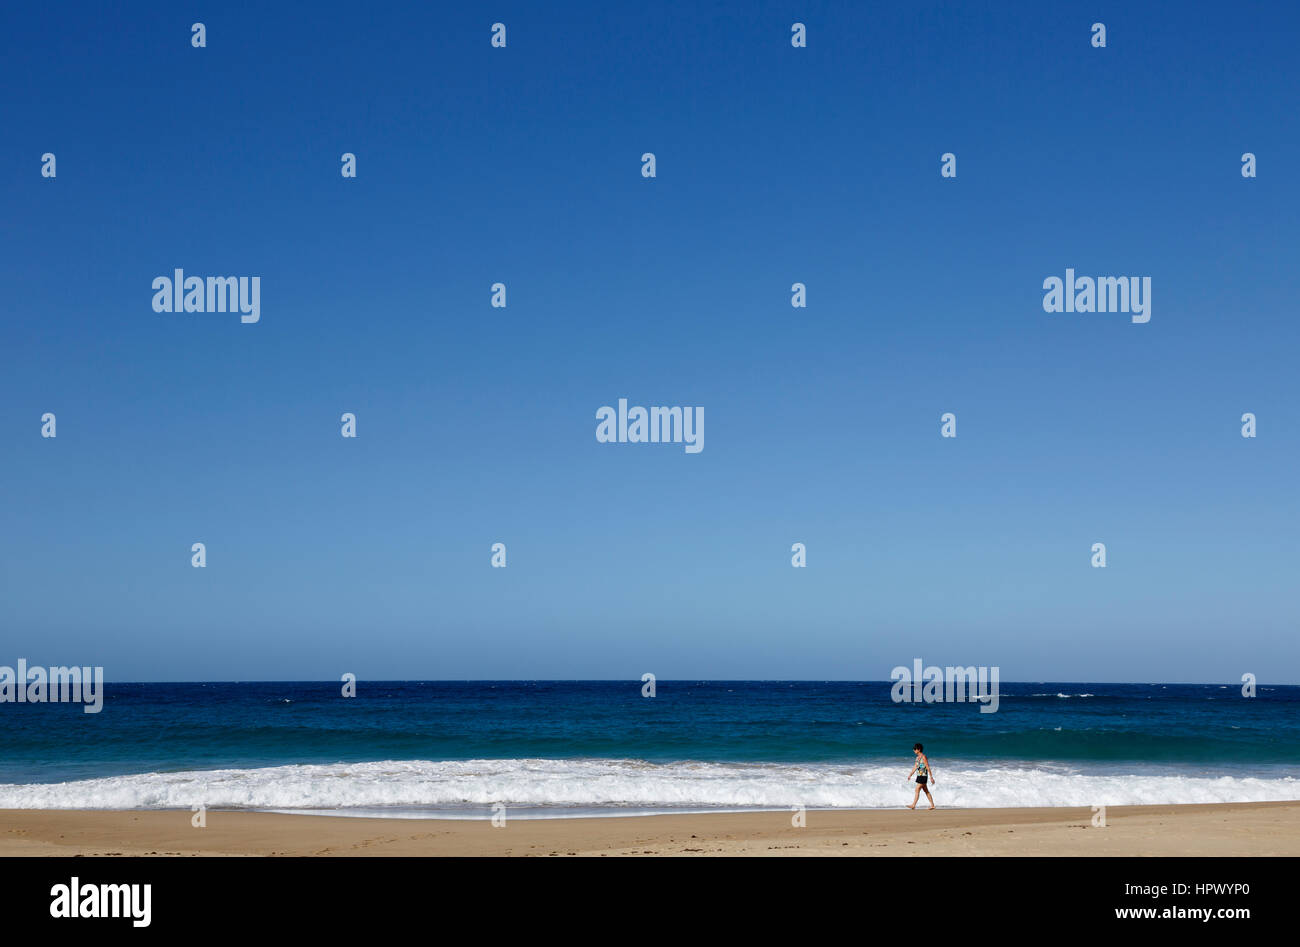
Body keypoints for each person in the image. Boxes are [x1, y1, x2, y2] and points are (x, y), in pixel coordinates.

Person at [907, 742, 935, 809]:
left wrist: (931, 777)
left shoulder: (923, 757)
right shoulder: (917, 758)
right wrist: (910, 774)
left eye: (915, 749)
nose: (914, 750)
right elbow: (915, 767)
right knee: (926, 791)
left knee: (917, 789)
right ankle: (932, 805)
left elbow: (927, 767)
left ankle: (913, 805)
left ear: (919, 749)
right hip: (919, 775)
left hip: (923, 776)